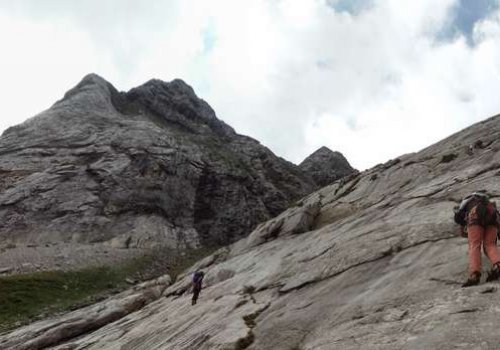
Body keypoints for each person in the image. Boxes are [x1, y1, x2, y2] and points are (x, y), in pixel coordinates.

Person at [454, 192, 500, 287]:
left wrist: (464, 227)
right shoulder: (488, 204)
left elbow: (458, 217)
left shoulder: (466, 201)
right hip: (493, 217)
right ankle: (497, 264)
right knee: (490, 244)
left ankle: (475, 274)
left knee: (474, 245)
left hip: (475, 216)